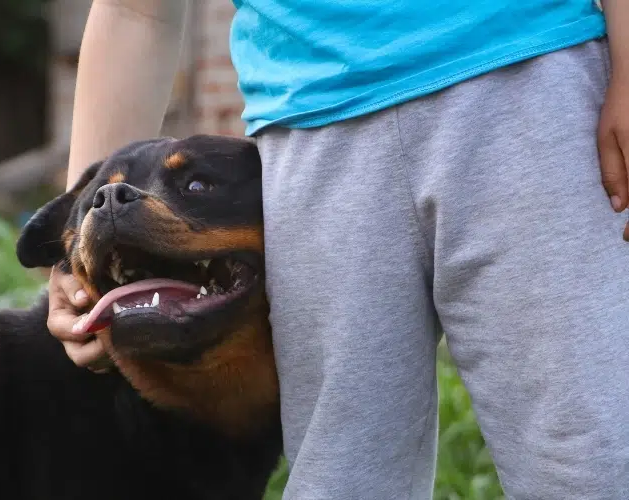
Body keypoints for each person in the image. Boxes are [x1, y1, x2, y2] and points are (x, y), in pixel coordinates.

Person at [45, 0, 629, 498]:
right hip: (310, 137)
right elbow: (136, 9)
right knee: (344, 477)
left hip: (530, 88)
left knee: (593, 461)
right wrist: (77, 243)